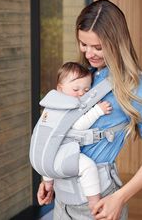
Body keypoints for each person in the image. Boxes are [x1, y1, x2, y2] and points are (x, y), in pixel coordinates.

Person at [37, 0, 142, 220]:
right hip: (63, 201)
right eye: (84, 44)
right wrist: (49, 179)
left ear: (117, 42)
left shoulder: (133, 85)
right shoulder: (83, 77)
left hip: (98, 205)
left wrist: (120, 197)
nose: (89, 53)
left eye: (98, 47)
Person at [42, 61, 112, 211]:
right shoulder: (66, 106)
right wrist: (97, 110)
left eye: (87, 90)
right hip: (60, 151)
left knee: (48, 160)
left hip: (46, 153)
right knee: (88, 167)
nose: (81, 93)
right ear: (60, 89)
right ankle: (94, 201)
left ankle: (48, 183)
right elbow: (77, 127)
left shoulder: (52, 104)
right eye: (76, 89)